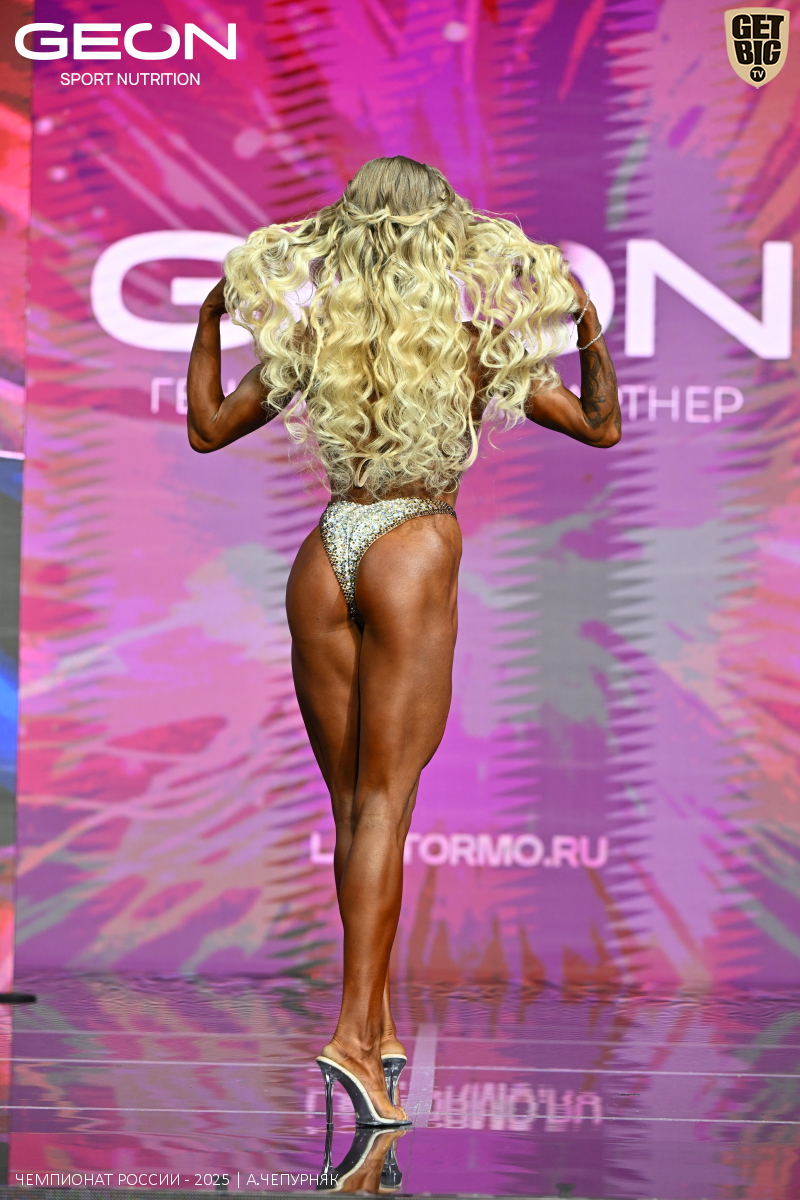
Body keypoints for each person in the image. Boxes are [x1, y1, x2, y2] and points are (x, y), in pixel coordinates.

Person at [186, 155, 620, 1128]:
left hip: (327, 548)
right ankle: (351, 1037)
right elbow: (600, 428)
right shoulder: (469, 345)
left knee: (356, 809)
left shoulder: (316, 340)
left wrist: (211, 318)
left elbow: (207, 429)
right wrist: (586, 321)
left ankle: (377, 1026)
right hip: (411, 546)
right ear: (440, 241)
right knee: (384, 806)